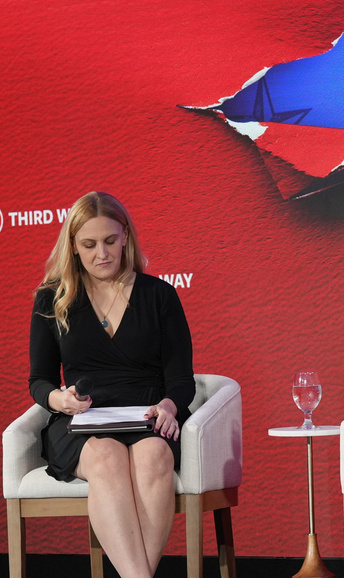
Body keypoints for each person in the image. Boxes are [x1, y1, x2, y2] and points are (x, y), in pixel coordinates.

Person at [28, 191, 195, 578]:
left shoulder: (160, 296)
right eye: (89, 244)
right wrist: (59, 399)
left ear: (125, 238)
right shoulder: (51, 299)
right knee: (106, 457)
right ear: (73, 246)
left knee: (154, 457)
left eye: (110, 241)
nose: (102, 253)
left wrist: (169, 407)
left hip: (148, 417)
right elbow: (40, 380)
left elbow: (181, 379)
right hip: (82, 424)